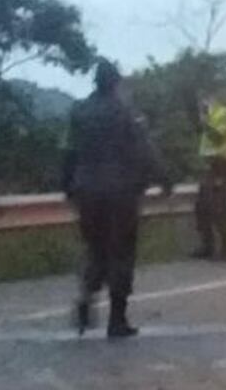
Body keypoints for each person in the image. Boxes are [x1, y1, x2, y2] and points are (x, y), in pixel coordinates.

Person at [62, 59, 171, 338]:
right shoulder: (126, 113)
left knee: (95, 248)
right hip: (120, 193)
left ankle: (87, 294)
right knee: (121, 252)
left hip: (86, 191)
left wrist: (68, 186)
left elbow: (69, 152)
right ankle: (117, 319)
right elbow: (145, 150)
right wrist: (164, 179)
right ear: (115, 83)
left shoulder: (80, 111)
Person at [191, 92, 226, 262]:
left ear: (214, 100)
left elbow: (218, 138)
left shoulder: (225, 115)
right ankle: (207, 246)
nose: (202, 106)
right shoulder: (212, 119)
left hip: (222, 165)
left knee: (219, 209)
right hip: (210, 167)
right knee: (202, 207)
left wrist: (205, 123)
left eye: (204, 102)